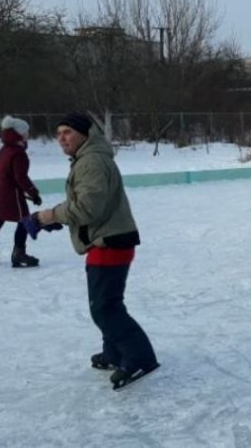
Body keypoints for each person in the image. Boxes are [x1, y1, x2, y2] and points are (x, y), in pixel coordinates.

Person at [27, 112, 159, 390]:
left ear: (85, 134)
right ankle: (114, 352)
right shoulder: (88, 158)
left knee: (105, 308)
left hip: (109, 242)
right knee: (106, 304)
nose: (61, 138)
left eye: (68, 132)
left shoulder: (91, 161)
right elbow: (90, 204)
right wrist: (64, 220)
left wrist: (46, 216)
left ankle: (140, 357)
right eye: (58, 133)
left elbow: (88, 207)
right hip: (107, 238)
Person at [0, 116, 42, 268]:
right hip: (11, 194)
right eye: (26, 132)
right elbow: (20, 177)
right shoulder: (18, 153)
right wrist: (33, 193)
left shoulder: (4, 149)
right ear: (19, 134)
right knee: (24, 220)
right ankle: (19, 254)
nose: (27, 134)